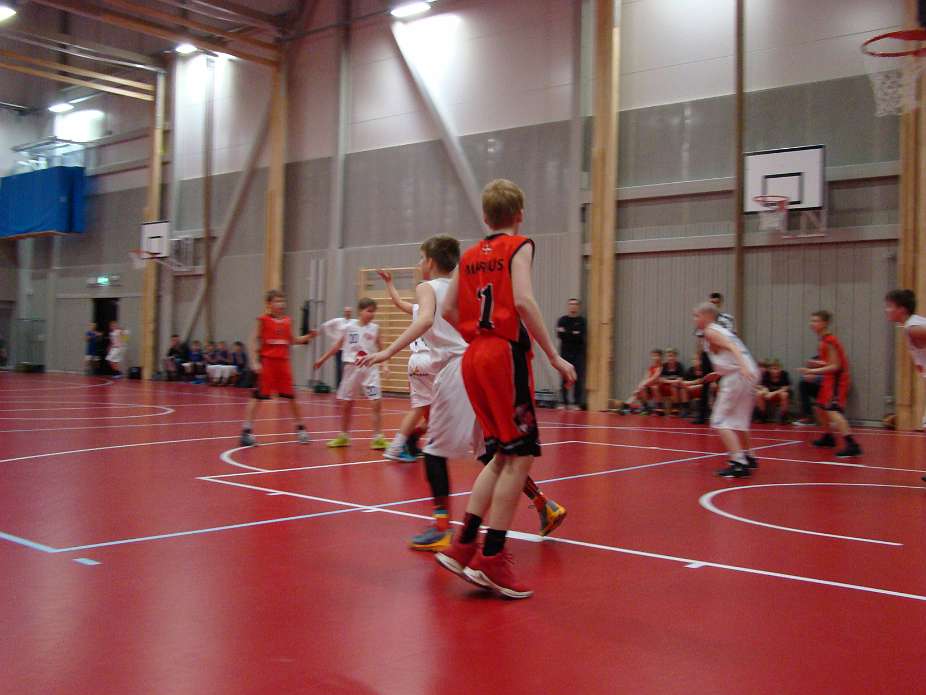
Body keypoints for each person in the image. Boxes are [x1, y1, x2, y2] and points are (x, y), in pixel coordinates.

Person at [358, 235, 568, 551]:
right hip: (480, 366)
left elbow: (425, 319)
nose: (419, 264)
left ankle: (442, 527)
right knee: (493, 453)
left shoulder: (426, 288)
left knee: (434, 451)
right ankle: (544, 504)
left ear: (430, 262)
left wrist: (388, 351)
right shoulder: (467, 286)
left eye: (421, 258)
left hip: (456, 370)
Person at [433, 178, 576, 599]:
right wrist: (554, 356)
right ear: (519, 215)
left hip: (473, 355)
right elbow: (525, 301)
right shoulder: (519, 245)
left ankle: (464, 545)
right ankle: (492, 558)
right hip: (502, 355)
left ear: (484, 216)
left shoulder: (468, 256)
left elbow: (448, 309)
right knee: (521, 456)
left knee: (500, 454)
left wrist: (475, 335)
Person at [239, 289, 318, 447]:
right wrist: (254, 362)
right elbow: (252, 341)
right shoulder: (263, 320)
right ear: (269, 304)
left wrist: (308, 336)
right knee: (257, 397)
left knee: (291, 397)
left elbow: (292, 340)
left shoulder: (288, 321)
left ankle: (301, 429)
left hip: (283, 363)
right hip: (267, 362)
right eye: (277, 301)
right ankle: (246, 432)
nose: (281, 304)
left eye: (282, 301)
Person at [694, 302, 760, 478]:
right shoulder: (720, 331)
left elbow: (732, 347)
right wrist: (718, 373)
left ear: (707, 316)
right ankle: (749, 456)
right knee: (740, 420)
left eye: (697, 315)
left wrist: (742, 366)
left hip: (739, 375)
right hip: (748, 373)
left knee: (719, 420)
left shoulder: (710, 331)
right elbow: (729, 354)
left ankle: (739, 462)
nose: (695, 319)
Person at [315, 298, 388, 450]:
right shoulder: (349, 328)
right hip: (352, 369)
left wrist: (385, 365)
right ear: (360, 311)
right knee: (347, 403)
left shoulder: (375, 328)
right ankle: (343, 436)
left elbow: (382, 349)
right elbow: (337, 346)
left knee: (376, 401)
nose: (372, 314)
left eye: (374, 311)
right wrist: (322, 359)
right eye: (369, 311)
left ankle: (378, 438)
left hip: (370, 369)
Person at [376, 268, 430, 462]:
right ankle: (398, 446)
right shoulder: (440, 308)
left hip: (415, 361)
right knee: (435, 411)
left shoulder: (417, 309)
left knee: (426, 411)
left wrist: (389, 283)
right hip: (431, 360)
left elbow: (398, 302)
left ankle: (409, 439)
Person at [799, 310, 862, 458]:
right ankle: (828, 437)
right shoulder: (823, 340)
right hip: (829, 379)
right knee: (820, 408)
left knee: (833, 411)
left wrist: (812, 371)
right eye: (811, 321)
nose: (812, 324)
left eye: (816, 321)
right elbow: (830, 362)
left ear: (825, 323)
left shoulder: (829, 340)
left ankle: (852, 444)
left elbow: (836, 366)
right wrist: (816, 364)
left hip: (837, 380)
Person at [884, 289, 926, 480]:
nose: (886, 310)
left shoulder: (912, 328)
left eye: (889, 306)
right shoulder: (913, 324)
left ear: (901, 309)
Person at [693, 292, 735, 424]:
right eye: (711, 302)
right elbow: (700, 339)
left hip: (721, 354)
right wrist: (698, 357)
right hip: (707, 354)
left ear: (720, 304)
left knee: (724, 384)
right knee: (705, 383)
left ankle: (725, 415)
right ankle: (702, 415)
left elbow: (729, 337)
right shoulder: (702, 319)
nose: (714, 305)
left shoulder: (727, 319)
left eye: (716, 303)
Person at [556, 298, 586, 409]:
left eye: (575, 304)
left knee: (577, 378)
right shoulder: (562, 320)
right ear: (568, 306)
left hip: (578, 354)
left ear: (578, 307)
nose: (573, 306)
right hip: (565, 354)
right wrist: (573, 333)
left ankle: (576, 403)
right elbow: (560, 335)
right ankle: (564, 402)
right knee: (565, 377)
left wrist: (568, 333)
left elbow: (580, 337)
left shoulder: (582, 321)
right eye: (571, 304)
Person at [617, 349, 663, 415]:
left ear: (661, 357)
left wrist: (643, 385)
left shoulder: (661, 367)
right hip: (649, 387)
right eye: (653, 356)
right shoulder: (651, 368)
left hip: (658, 389)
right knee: (639, 391)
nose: (655, 358)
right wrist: (638, 388)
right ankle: (628, 406)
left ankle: (659, 408)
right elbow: (645, 378)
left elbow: (654, 378)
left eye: (657, 356)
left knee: (653, 387)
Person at [320, 307, 353, 387]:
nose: (348, 313)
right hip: (338, 348)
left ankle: (347, 386)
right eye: (346, 311)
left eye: (349, 311)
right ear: (344, 312)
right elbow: (325, 325)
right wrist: (333, 336)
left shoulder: (353, 322)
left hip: (348, 349)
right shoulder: (338, 321)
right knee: (339, 367)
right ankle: (339, 386)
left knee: (348, 368)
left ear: (351, 313)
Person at [755, 359, 791, 424]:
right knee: (759, 393)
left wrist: (773, 393)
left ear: (780, 369)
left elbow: (785, 388)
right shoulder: (766, 374)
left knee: (784, 394)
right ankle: (762, 416)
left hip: (778, 394)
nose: (774, 371)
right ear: (769, 369)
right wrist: (767, 392)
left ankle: (784, 417)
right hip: (768, 394)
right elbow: (763, 386)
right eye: (771, 369)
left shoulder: (784, 374)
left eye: (776, 369)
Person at [658, 347, 687, 416]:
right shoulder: (664, 366)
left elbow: (680, 379)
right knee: (656, 386)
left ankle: (675, 407)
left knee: (674, 386)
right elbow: (661, 379)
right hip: (665, 387)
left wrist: (669, 381)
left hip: (675, 387)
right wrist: (672, 381)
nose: (670, 358)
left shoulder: (679, 366)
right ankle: (659, 406)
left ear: (676, 357)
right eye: (669, 356)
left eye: (672, 356)